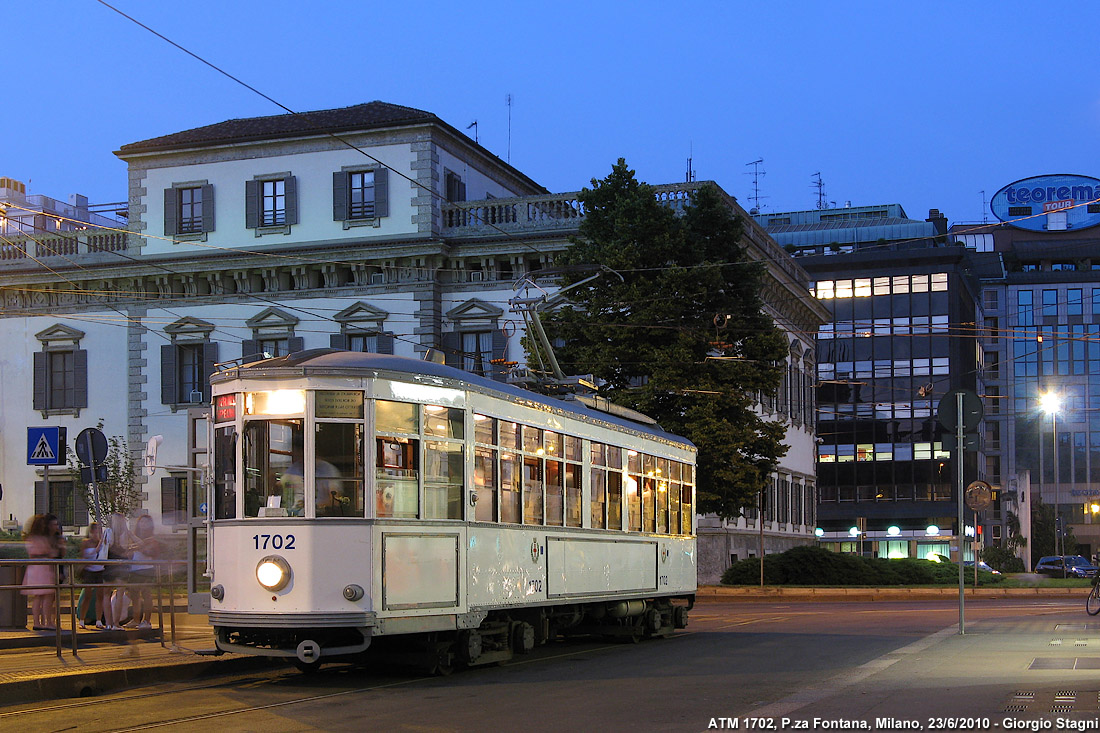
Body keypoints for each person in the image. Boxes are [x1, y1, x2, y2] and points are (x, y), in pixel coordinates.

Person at [21, 514, 58, 630]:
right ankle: (48, 622)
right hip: (44, 567)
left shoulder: (30, 538)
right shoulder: (42, 539)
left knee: (37, 596)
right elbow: (51, 552)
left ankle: (37, 622)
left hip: (34, 568)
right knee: (47, 596)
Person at [126, 515, 160, 629]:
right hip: (135, 569)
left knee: (146, 594)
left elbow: (147, 549)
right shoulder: (135, 537)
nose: (143, 525)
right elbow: (130, 549)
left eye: (146, 522)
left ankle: (147, 620)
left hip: (146, 569)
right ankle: (136, 619)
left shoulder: (152, 538)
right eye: (141, 522)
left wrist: (137, 545)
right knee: (134, 595)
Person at [76, 523, 107, 629]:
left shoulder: (103, 542)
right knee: (88, 595)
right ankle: (82, 620)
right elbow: (84, 556)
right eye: (94, 532)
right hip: (89, 571)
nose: (96, 534)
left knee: (100, 596)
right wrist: (96, 549)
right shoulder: (86, 543)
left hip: (100, 570)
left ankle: (99, 620)